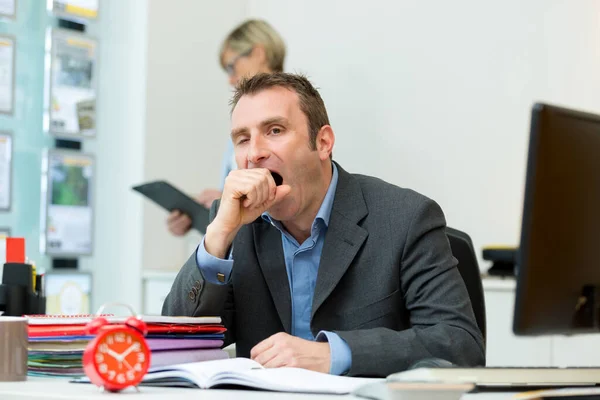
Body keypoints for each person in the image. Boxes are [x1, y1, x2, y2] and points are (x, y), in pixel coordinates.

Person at [162, 73, 485, 377]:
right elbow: (174, 345)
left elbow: (459, 344)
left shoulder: (404, 217)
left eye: (275, 130)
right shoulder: (235, 224)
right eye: (242, 139)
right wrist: (218, 236)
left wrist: (333, 354)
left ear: (323, 142)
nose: (255, 153)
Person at [167, 19, 287, 236]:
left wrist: (226, 200)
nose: (230, 80)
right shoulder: (242, 123)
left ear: (258, 53)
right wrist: (207, 213)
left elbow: (289, 195)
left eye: (232, 67)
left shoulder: (289, 115)